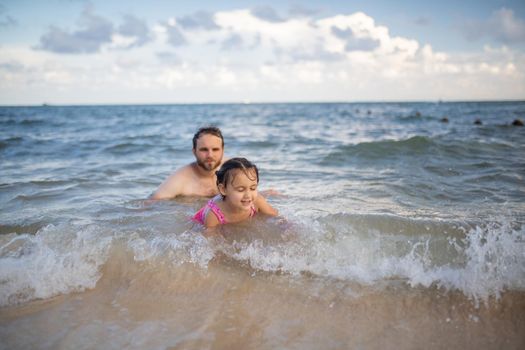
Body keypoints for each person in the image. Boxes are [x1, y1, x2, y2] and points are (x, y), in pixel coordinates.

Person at [192, 158, 278, 227]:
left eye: (252, 188)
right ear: (223, 190)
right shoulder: (213, 214)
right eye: (240, 190)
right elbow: (210, 240)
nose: (248, 195)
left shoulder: (257, 201)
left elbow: (276, 217)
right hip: (199, 220)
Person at [150, 127, 226, 199]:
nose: (210, 155)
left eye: (215, 149)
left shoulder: (233, 170)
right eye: (204, 150)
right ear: (194, 151)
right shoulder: (181, 179)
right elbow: (154, 202)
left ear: (222, 150)